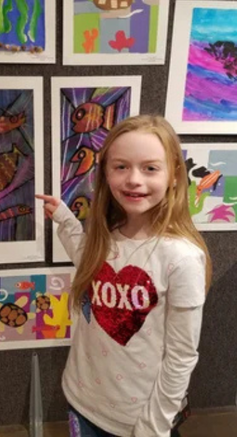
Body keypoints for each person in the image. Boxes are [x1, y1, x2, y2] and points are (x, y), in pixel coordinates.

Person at [36, 115, 212, 437]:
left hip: (138, 422)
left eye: (150, 168)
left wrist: (153, 426)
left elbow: (181, 356)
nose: (133, 179)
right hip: (81, 400)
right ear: (105, 172)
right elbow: (86, 258)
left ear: (174, 174)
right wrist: (64, 219)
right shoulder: (107, 236)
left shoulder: (182, 258)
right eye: (121, 167)